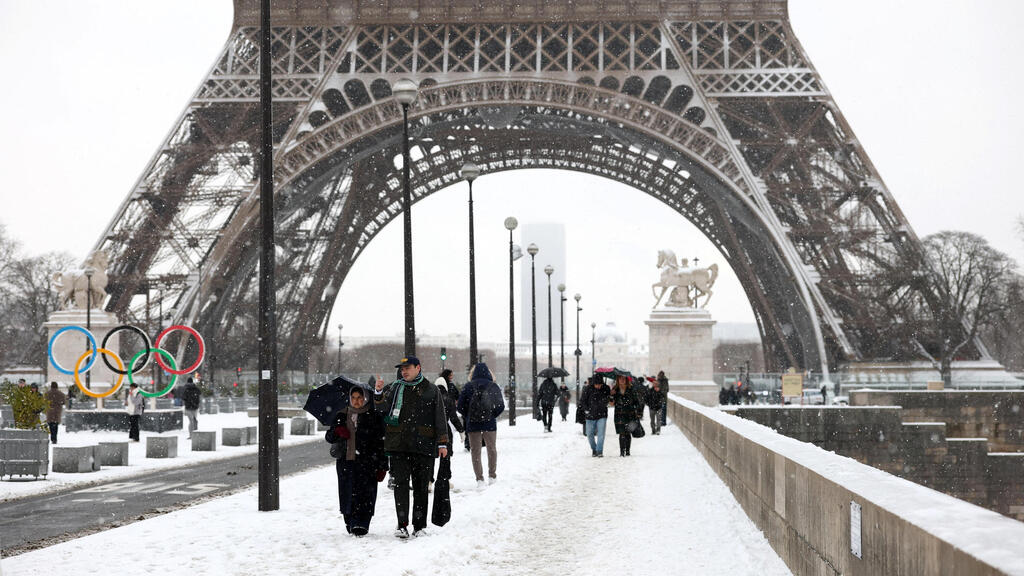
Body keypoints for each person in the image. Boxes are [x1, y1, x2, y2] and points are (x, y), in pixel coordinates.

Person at [374, 356, 449, 539]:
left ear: (418, 368)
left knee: (421, 486)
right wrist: (378, 392)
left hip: (424, 445)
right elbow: (382, 409)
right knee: (400, 485)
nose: (404, 371)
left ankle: (419, 525)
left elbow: (439, 417)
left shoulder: (431, 390)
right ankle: (402, 525)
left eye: (407, 368)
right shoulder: (394, 388)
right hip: (399, 445)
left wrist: (442, 442)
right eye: (402, 369)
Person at [326, 386, 387, 537]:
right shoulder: (341, 415)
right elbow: (329, 437)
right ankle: (349, 520)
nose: (356, 401)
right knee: (347, 493)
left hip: (368, 463)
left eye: (360, 398)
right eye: (353, 398)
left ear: (365, 398)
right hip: (346, 462)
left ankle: (362, 523)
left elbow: (381, 442)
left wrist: (383, 466)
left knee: (366, 494)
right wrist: (337, 431)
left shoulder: (373, 416)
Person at [457, 363, 505, 489]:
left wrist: (469, 416)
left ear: (473, 373)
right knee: (491, 449)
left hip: (473, 424)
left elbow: (460, 406)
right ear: (488, 373)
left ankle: (479, 479)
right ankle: (492, 476)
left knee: (475, 451)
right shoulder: (493, 386)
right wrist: (492, 415)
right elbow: (500, 405)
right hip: (489, 424)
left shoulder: (468, 386)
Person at [434, 369, 464, 490]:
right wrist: (461, 430)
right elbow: (454, 417)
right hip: (445, 431)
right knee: (445, 458)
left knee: (430, 458)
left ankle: (429, 481)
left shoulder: (430, 398)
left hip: (431, 431)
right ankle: (444, 479)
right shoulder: (448, 399)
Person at [610, 374, 642, 457]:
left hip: (630, 414)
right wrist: (611, 395)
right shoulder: (615, 389)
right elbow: (612, 403)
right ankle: (622, 452)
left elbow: (637, 402)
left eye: (624, 378)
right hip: (619, 414)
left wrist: (638, 412)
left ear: (626, 380)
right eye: (620, 378)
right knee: (622, 433)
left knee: (628, 433)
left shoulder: (631, 389)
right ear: (618, 380)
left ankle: (627, 451)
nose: (622, 380)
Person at [579, 376, 611, 457]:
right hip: (590, 415)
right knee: (589, 434)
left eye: (600, 384)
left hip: (602, 415)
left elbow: (608, 399)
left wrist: (606, 399)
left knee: (601, 434)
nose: (598, 386)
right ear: (593, 383)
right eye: (597, 384)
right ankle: (594, 449)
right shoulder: (587, 389)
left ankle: (599, 451)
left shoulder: (606, 388)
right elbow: (582, 400)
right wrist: (586, 409)